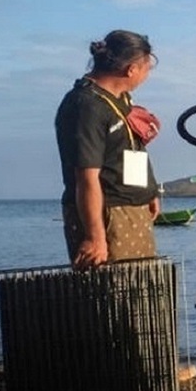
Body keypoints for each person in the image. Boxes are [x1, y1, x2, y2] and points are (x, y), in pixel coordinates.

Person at [55, 30, 162, 270]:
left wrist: (149, 191)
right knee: (114, 295)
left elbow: (131, 146)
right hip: (108, 213)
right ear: (131, 69)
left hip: (134, 210)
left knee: (141, 292)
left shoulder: (121, 99)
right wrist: (96, 237)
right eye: (147, 67)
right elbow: (86, 176)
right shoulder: (86, 106)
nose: (148, 74)